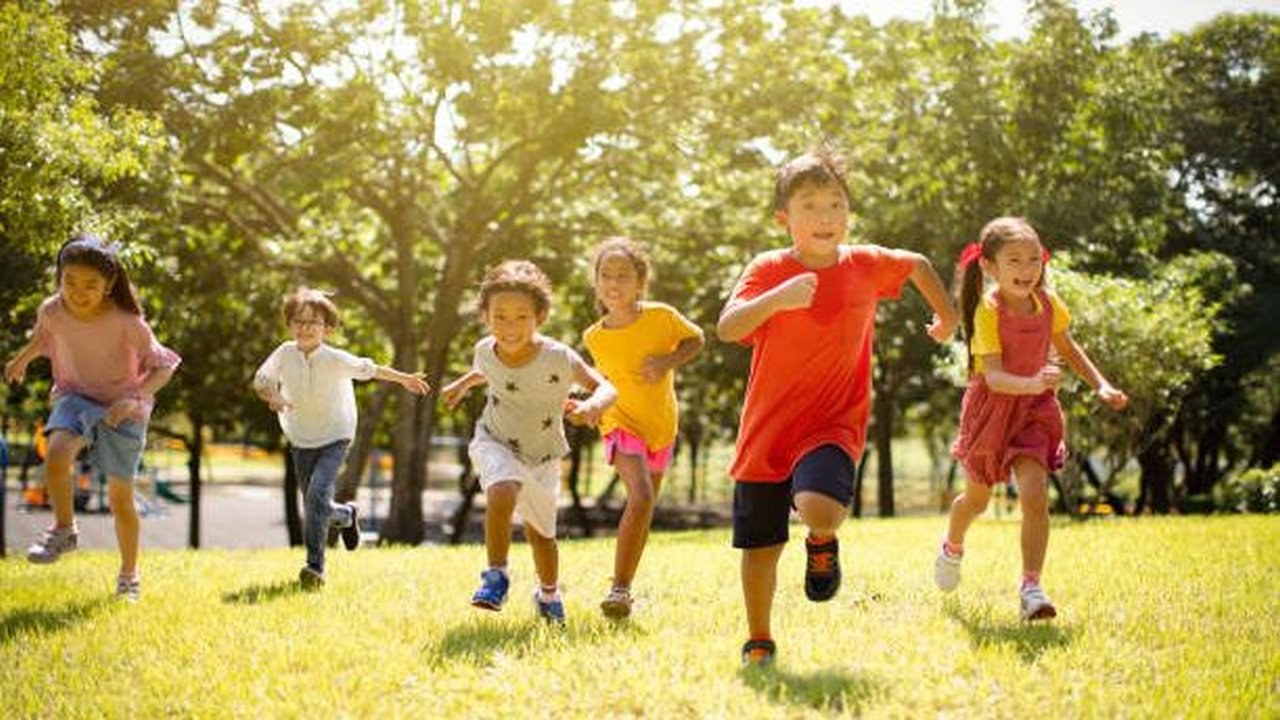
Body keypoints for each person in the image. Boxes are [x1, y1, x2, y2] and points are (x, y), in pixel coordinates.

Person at [716, 148, 958, 666]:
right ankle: (759, 638)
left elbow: (916, 264)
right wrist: (776, 299)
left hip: (832, 423)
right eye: (810, 205)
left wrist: (947, 317)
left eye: (835, 204)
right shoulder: (768, 269)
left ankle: (821, 539)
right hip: (766, 431)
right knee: (760, 546)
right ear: (785, 218)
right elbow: (729, 326)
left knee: (820, 508)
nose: (826, 217)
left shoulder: (864, 264)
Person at [933, 217, 1128, 620]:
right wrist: (1036, 380)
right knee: (976, 500)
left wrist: (1101, 385)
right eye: (1014, 261)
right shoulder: (987, 312)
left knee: (1035, 494)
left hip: (1034, 412)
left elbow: (1068, 348)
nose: (1026, 270)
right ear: (989, 266)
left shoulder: (1049, 303)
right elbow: (996, 378)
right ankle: (952, 546)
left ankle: (1031, 588)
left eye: (1033, 260)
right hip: (993, 411)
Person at [4, 235, 182, 601]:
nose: (77, 292)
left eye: (90, 285)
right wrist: (23, 358)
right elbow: (44, 337)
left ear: (109, 285)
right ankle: (64, 528)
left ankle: (129, 575)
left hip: (123, 407)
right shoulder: (52, 310)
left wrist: (133, 399)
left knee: (120, 498)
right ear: (59, 278)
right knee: (55, 454)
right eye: (69, 281)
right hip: (76, 395)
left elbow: (163, 368)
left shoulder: (128, 322)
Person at [441, 260, 617, 624]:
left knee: (542, 537)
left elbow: (605, 386)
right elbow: (486, 371)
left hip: (543, 454)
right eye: (500, 317)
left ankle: (548, 593)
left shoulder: (558, 357)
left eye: (521, 317)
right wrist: (462, 384)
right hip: (495, 439)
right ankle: (496, 575)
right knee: (502, 489)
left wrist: (592, 405)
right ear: (485, 317)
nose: (509, 327)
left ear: (539, 316)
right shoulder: (484, 350)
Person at [253, 287, 430, 589]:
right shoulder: (284, 353)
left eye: (313, 323)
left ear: (328, 329)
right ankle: (346, 514)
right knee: (315, 505)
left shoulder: (334, 358)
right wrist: (275, 397)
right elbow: (261, 380)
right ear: (289, 325)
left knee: (315, 497)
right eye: (299, 321)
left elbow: (369, 368)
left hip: (336, 436)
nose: (305, 328)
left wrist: (404, 379)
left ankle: (314, 568)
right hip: (300, 437)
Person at [583, 237, 704, 618]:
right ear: (597, 282)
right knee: (643, 496)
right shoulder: (594, 337)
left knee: (644, 506)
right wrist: (586, 404)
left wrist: (668, 361)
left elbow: (696, 339)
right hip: (619, 421)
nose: (614, 283)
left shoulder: (661, 317)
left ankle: (626, 589)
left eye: (623, 275)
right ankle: (618, 590)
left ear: (640, 282)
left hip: (661, 426)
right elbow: (601, 380)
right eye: (606, 275)